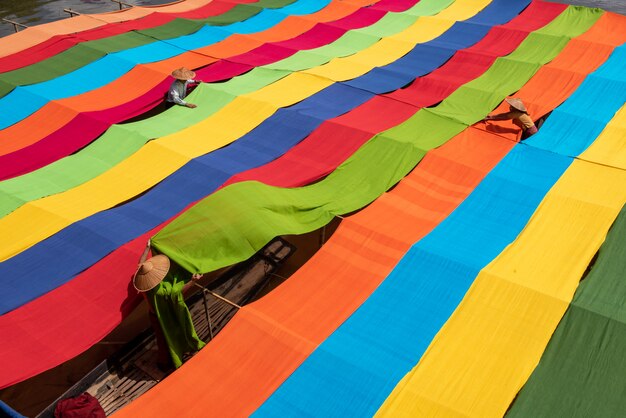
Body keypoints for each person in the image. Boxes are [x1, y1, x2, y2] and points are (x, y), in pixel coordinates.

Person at [133, 241, 205, 371]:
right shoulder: (159, 290)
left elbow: (140, 265)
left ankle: (172, 358)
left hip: (155, 314)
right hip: (162, 317)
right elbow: (176, 294)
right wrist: (193, 281)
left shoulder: (142, 283)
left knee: (164, 340)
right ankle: (166, 363)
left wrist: (147, 247)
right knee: (166, 340)